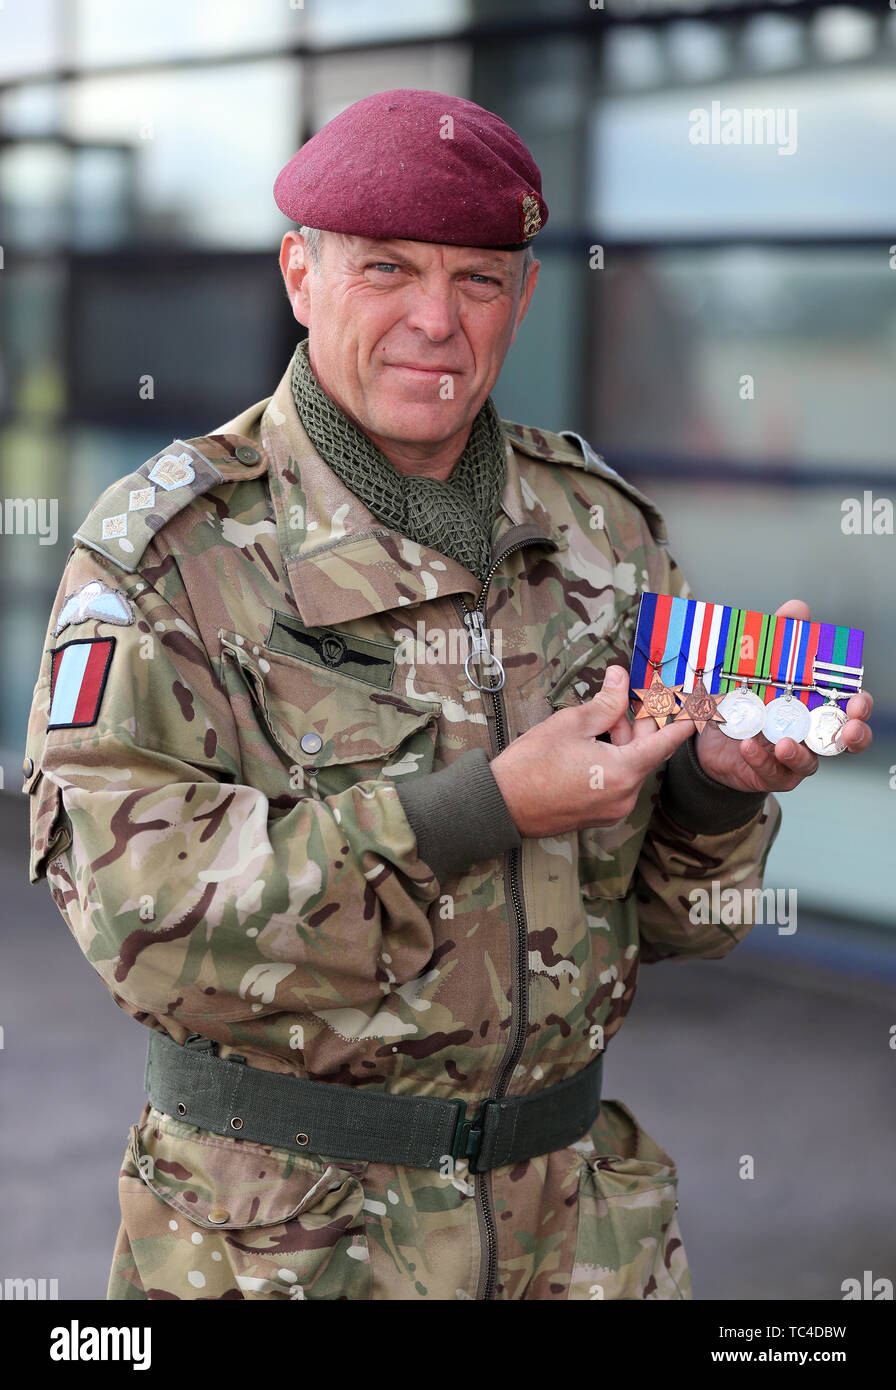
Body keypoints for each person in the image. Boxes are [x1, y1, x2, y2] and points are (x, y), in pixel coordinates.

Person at [23, 88, 872, 1302]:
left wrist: (709, 785)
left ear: (523, 299)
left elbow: (681, 921)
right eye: (386, 270)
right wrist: (482, 808)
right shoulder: (170, 552)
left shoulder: (599, 531)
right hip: (285, 1246)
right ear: (298, 273)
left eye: (479, 280)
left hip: (578, 1238)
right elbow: (136, 919)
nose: (436, 319)